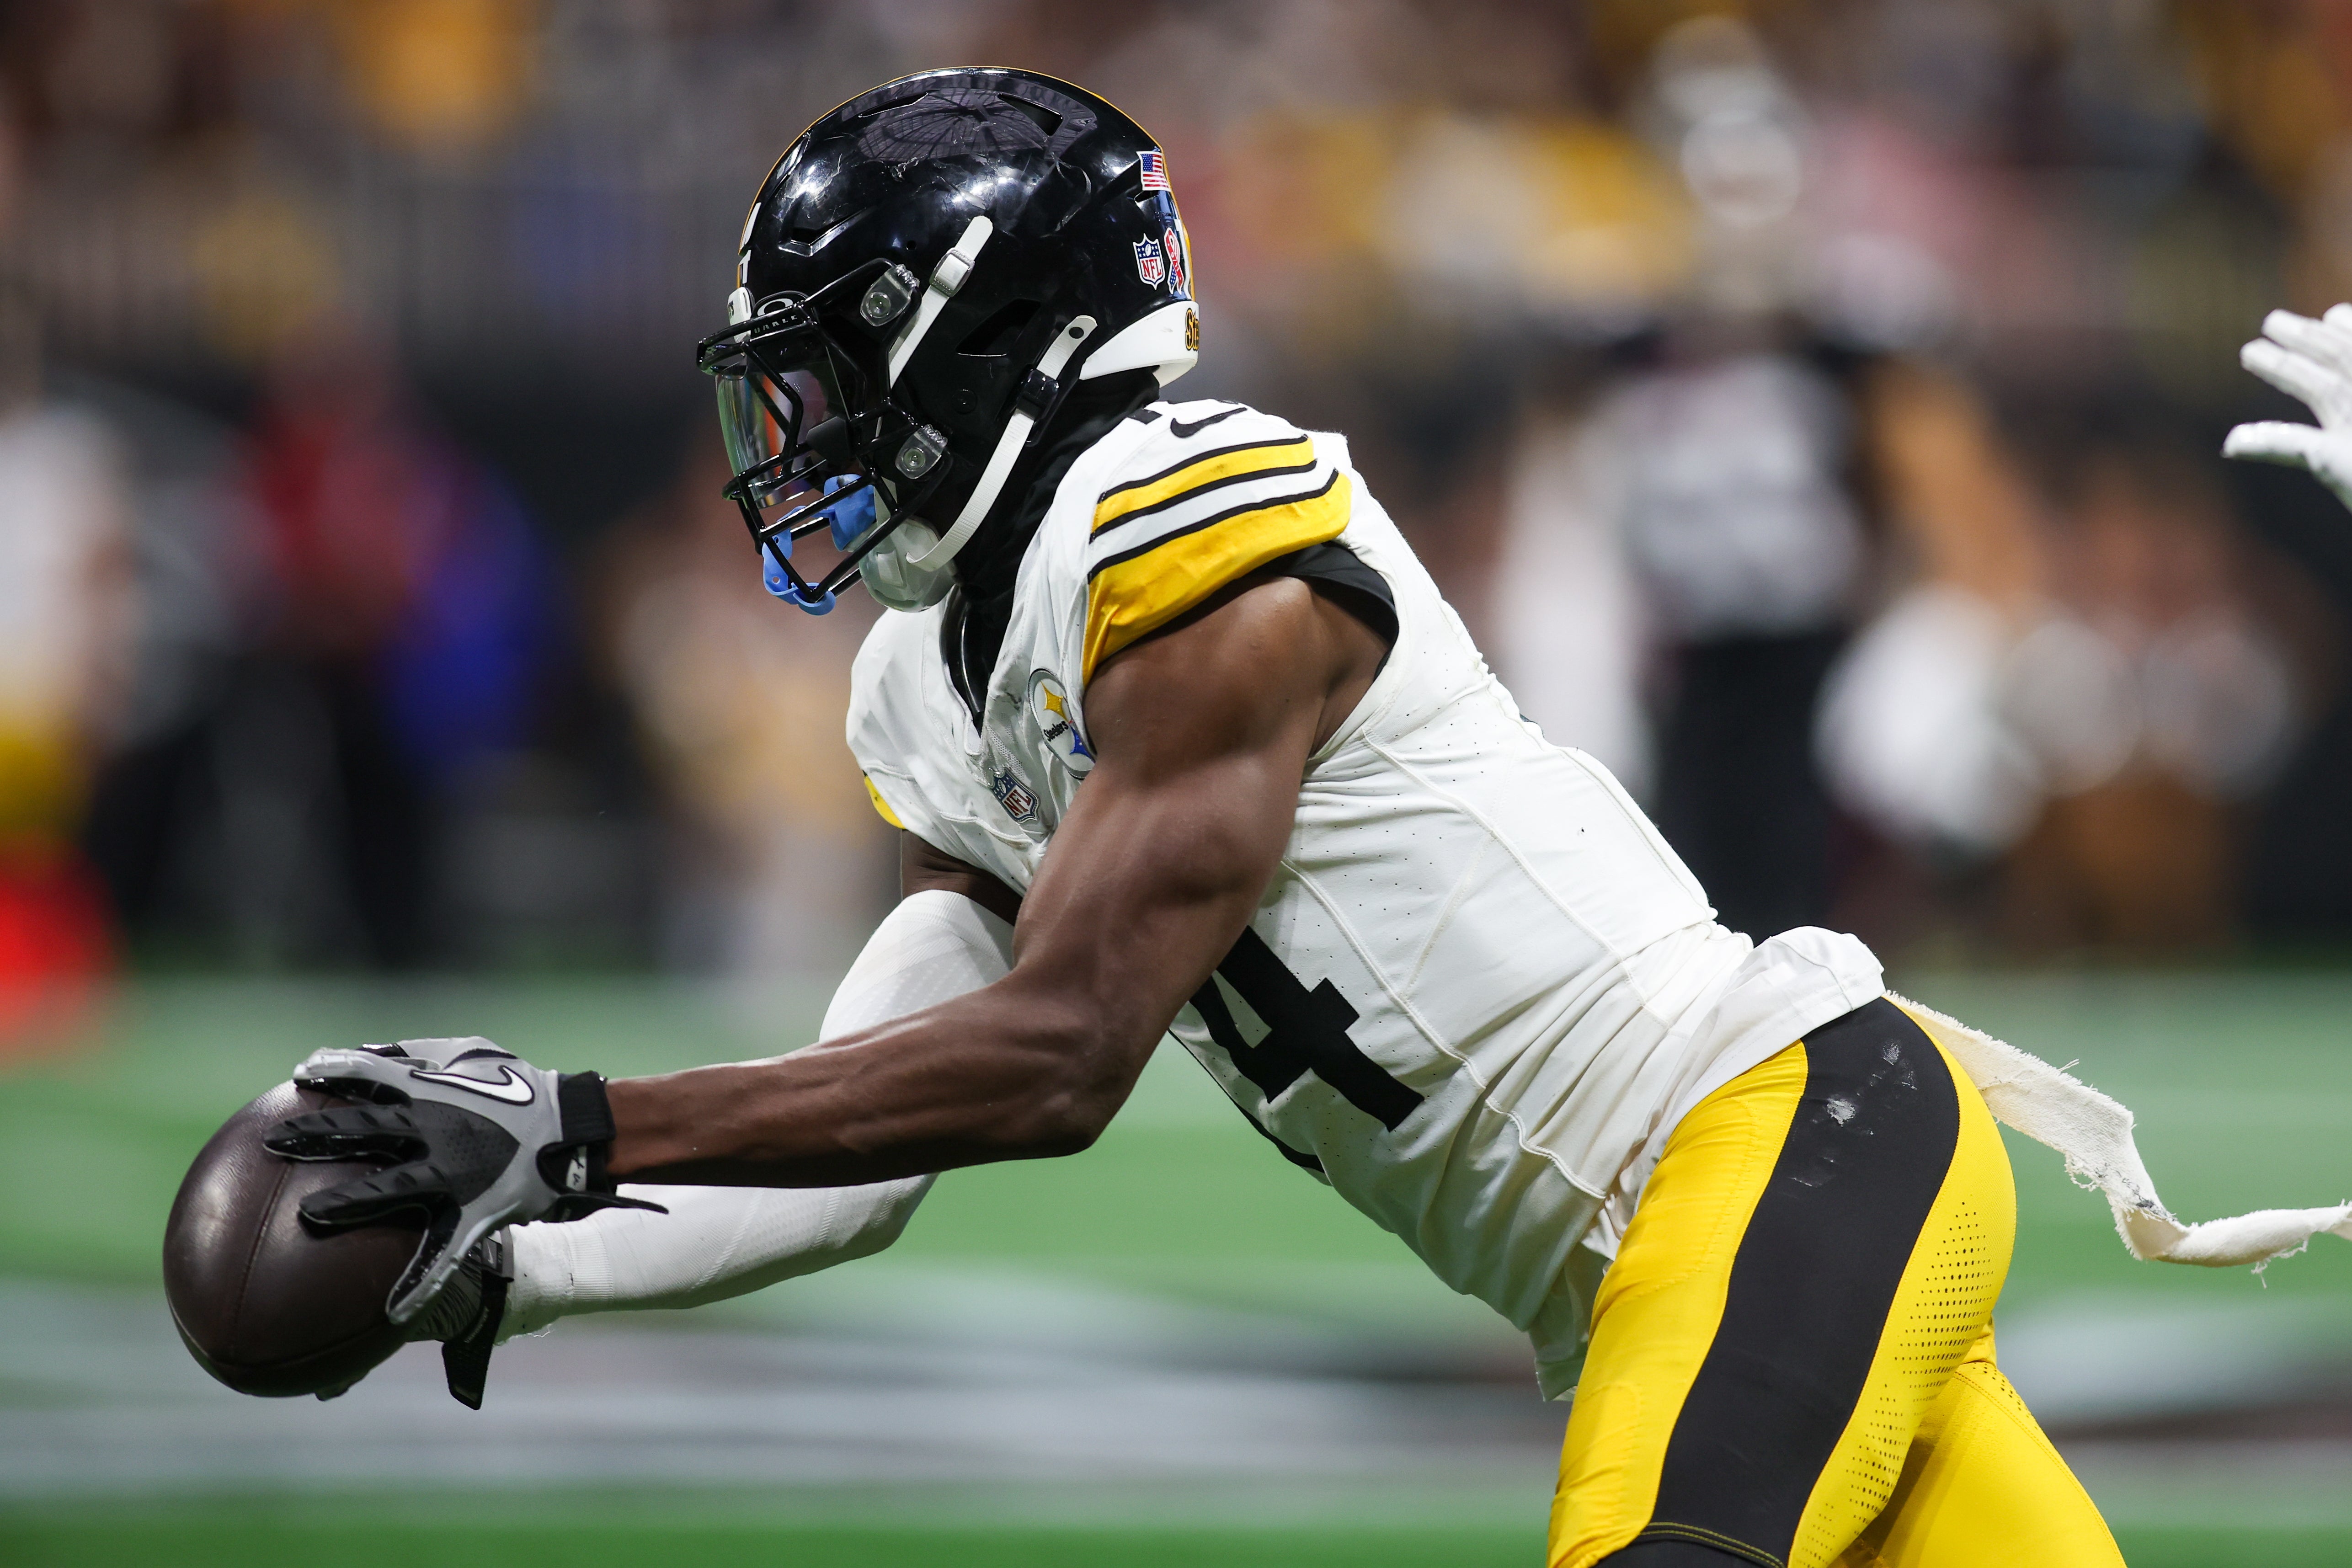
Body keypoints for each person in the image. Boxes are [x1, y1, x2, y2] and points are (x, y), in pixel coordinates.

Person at [263, 72, 2352, 1568]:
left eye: (838, 368)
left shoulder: (1195, 536)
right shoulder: (941, 672)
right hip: (1663, 1267)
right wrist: (520, 1260)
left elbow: (1062, 1055)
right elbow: (878, 1124)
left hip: (1784, 1150)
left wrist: (581, 1123)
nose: (796, 432)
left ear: (985, 342)